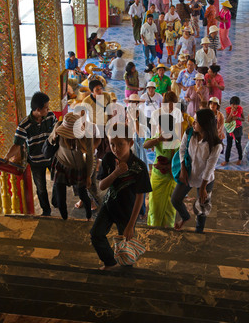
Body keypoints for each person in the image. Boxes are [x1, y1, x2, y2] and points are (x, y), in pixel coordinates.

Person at [90, 123, 152, 270]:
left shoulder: (139, 167)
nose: (115, 149)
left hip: (127, 212)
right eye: (112, 144)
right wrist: (116, 173)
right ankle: (110, 262)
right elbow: (102, 186)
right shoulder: (108, 159)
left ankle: (126, 272)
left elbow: (139, 197)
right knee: (96, 234)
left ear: (130, 143)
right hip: (109, 205)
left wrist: (131, 225)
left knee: (126, 249)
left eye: (120, 144)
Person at [5, 92, 58, 217]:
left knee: (58, 181)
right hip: (36, 162)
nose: (49, 109)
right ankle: (46, 211)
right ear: (38, 110)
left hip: (52, 158)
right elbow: (17, 144)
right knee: (41, 188)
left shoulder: (50, 116)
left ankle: (56, 201)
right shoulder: (24, 125)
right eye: (46, 107)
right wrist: (7, 157)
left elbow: (57, 130)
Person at [171, 109, 222, 233]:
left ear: (204, 125)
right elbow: (182, 149)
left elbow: (210, 167)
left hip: (206, 179)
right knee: (175, 199)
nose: (193, 123)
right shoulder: (189, 133)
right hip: (189, 174)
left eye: (196, 122)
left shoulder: (215, 145)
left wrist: (203, 187)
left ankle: (199, 231)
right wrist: (183, 168)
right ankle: (185, 217)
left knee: (202, 208)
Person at [47, 113, 93, 221]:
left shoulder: (87, 135)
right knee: (61, 198)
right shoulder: (58, 128)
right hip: (61, 164)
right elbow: (49, 141)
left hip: (78, 168)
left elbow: (90, 156)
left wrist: (88, 176)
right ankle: (65, 219)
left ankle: (89, 217)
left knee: (83, 195)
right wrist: (53, 138)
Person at [144, 114, 180, 228]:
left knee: (169, 209)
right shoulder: (158, 138)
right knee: (154, 206)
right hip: (157, 178)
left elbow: (178, 166)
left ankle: (167, 229)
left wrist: (165, 167)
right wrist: (158, 139)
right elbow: (145, 145)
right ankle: (154, 226)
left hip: (169, 180)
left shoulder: (176, 143)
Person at [221, 96, 244, 166]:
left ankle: (240, 158)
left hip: (238, 129)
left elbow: (243, 119)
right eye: (232, 104)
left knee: (238, 145)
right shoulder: (228, 110)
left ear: (238, 105)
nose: (234, 106)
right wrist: (231, 113)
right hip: (230, 129)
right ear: (230, 104)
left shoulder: (240, 109)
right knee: (229, 145)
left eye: (236, 104)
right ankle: (226, 160)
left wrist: (237, 118)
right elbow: (227, 121)